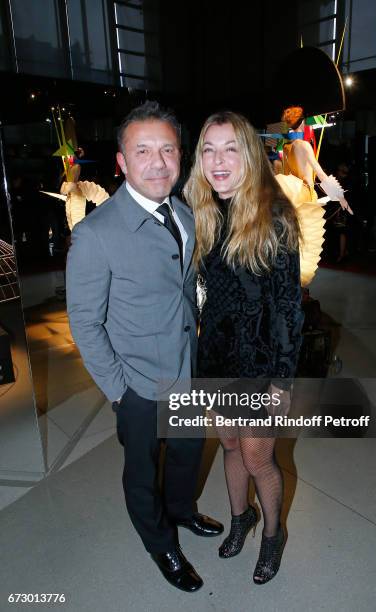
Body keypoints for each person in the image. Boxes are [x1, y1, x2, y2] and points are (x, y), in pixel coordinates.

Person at [66, 101, 223, 593]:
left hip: (186, 369)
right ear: (121, 162)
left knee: (186, 454)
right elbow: (85, 324)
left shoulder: (184, 213)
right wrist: (120, 392)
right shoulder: (96, 234)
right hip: (137, 384)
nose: (158, 162)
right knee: (141, 473)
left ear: (180, 156)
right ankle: (162, 545)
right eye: (143, 151)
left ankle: (182, 511)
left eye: (168, 150)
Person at [184, 111, 304, 584]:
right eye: (209, 149)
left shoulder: (274, 215)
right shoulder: (205, 212)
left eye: (230, 147)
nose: (218, 160)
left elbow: (289, 309)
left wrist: (282, 381)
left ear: (250, 154)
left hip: (259, 363)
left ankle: (273, 533)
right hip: (215, 357)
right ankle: (241, 518)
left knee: (258, 458)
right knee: (230, 443)